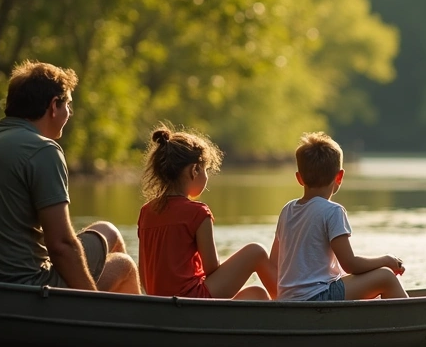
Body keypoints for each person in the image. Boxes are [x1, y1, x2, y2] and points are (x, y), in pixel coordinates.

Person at [0, 60, 140, 293]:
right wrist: (91, 301)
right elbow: (61, 246)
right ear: (54, 105)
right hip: (22, 289)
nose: (69, 114)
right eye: (68, 106)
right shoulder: (43, 149)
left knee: (108, 231)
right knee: (124, 265)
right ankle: (123, 325)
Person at [138, 124, 276, 300]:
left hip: (160, 303)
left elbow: (143, 273)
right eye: (206, 170)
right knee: (256, 252)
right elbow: (211, 268)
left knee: (257, 294)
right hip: (193, 300)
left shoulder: (146, 212)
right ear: (194, 170)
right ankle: (290, 304)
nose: (207, 176)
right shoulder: (197, 212)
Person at [271, 132, 408, 301]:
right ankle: (417, 323)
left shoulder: (287, 209)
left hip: (287, 299)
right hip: (316, 298)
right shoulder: (332, 211)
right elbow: (350, 264)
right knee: (386, 277)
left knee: (356, 282)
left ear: (299, 178)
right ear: (340, 177)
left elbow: (275, 263)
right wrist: (386, 260)